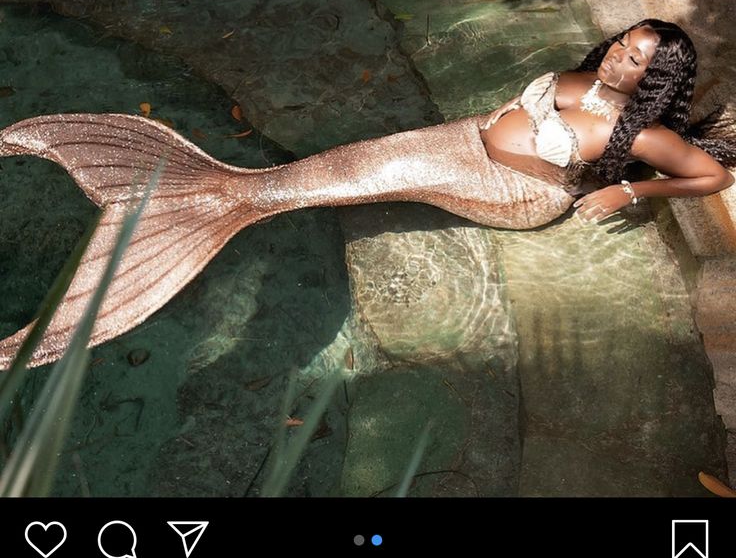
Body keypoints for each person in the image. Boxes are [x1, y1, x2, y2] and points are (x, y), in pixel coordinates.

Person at [0, 19, 734, 369]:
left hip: (506, 187)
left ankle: (199, 215)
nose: (619, 55)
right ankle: (210, 198)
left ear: (654, 81)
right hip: (466, 136)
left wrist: (628, 192)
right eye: (623, 42)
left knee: (320, 183)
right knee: (334, 167)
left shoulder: (640, 134)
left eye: (637, 59)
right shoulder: (586, 74)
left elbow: (714, 176)